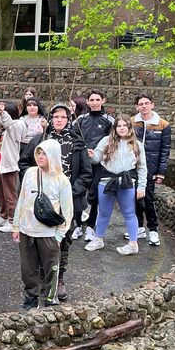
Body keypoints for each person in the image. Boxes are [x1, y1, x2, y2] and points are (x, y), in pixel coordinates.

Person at [18, 103, 92, 301]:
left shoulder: (77, 143)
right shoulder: (41, 140)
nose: (59, 120)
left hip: (67, 201)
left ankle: (58, 279)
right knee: (39, 242)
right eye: (56, 116)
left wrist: (69, 192)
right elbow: (24, 163)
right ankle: (41, 280)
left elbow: (86, 174)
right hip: (40, 202)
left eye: (63, 117)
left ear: (69, 120)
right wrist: (36, 181)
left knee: (62, 241)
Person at [12, 139, 74, 308]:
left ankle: (50, 298)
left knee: (51, 268)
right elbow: (22, 200)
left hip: (48, 233)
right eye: (38, 152)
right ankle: (31, 298)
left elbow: (68, 212)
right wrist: (17, 226)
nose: (40, 156)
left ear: (53, 156)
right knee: (28, 268)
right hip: (27, 230)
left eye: (44, 153)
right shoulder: (30, 173)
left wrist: (59, 235)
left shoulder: (62, 180)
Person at [86, 115, 148, 256]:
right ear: (114, 128)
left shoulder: (137, 145)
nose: (121, 128)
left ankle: (133, 243)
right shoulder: (105, 141)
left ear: (129, 127)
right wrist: (91, 155)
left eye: (124, 126)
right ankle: (99, 239)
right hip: (106, 181)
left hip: (126, 182)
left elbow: (142, 167)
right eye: (119, 126)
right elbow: (96, 159)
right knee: (103, 212)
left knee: (129, 212)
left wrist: (141, 187)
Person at [0, 98, 47, 232]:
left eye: (5, 112)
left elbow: (7, 122)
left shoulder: (18, 124)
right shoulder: (6, 127)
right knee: (0, 193)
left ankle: (12, 220)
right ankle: (4, 215)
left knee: (10, 194)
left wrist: (2, 112)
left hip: (9, 165)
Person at [72, 89, 114, 241]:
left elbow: (112, 142)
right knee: (77, 193)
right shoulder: (81, 119)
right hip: (81, 162)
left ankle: (90, 226)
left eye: (98, 100)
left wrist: (98, 153)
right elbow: (73, 135)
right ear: (88, 102)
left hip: (99, 164)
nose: (95, 103)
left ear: (103, 101)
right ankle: (77, 225)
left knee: (95, 196)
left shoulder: (110, 120)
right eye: (92, 100)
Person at [133, 94, 171, 247]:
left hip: (151, 168)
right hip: (133, 167)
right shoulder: (132, 122)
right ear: (137, 107)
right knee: (133, 199)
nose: (144, 106)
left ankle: (153, 230)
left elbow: (165, 150)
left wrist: (161, 172)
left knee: (148, 199)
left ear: (152, 105)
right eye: (140, 104)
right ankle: (139, 227)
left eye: (146, 103)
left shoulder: (163, 125)